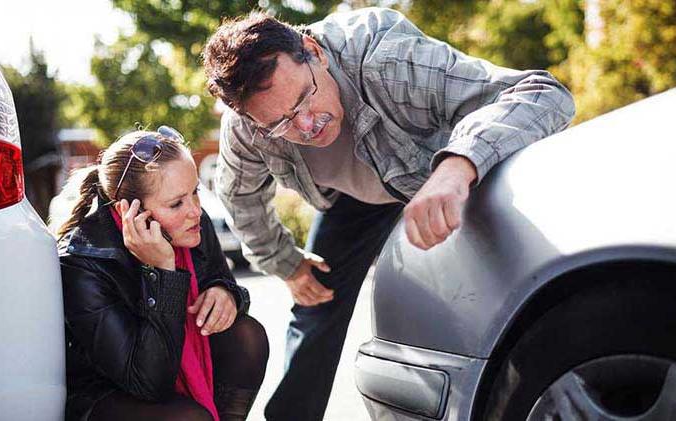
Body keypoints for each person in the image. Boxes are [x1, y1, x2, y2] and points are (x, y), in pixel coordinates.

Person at [203, 7, 575, 420]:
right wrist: (286, 264)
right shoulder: (246, 129)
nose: (307, 126)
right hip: (350, 200)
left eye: (305, 98)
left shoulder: (387, 60)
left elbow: (541, 93)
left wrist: (457, 165)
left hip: (440, 172)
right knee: (315, 307)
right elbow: (240, 199)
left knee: (497, 290)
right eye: (282, 123)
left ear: (314, 52)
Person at [57, 126, 269, 421]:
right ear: (130, 211)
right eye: (176, 203)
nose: (195, 210)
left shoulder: (191, 223)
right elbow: (147, 383)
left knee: (246, 336)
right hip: (105, 394)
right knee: (190, 418)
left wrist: (226, 293)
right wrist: (162, 271)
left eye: (194, 192)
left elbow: (223, 281)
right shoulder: (84, 262)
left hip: (167, 363)